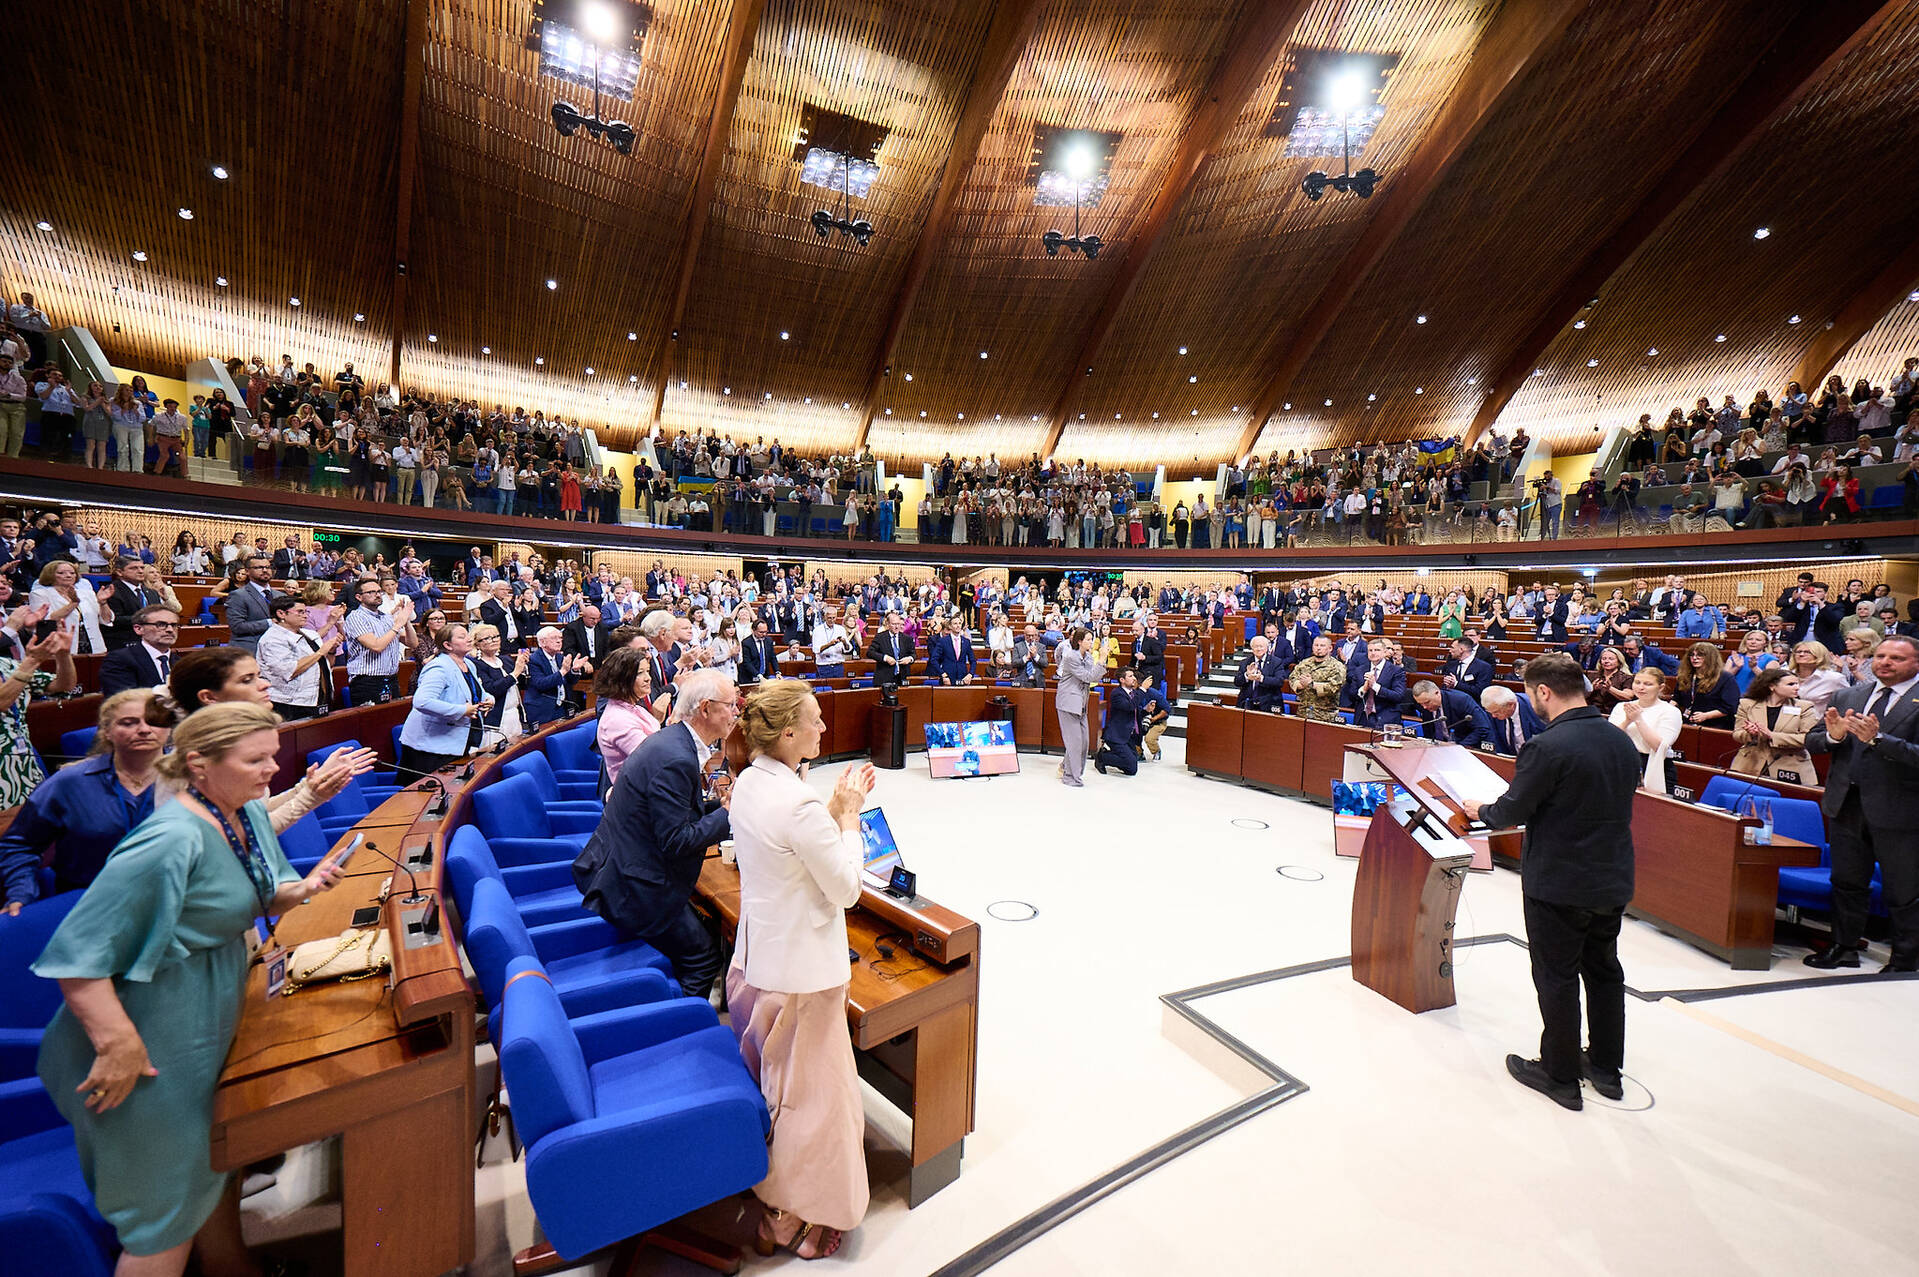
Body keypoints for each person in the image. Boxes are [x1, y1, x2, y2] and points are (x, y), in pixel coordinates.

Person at [32, 703, 346, 1272]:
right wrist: (118, 1045)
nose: (274, 770)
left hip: (204, 1014)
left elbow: (261, 891)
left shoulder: (241, 814)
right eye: (256, 759)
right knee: (161, 1221)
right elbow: (77, 959)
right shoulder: (168, 839)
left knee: (201, 1179)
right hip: (148, 1039)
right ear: (199, 764)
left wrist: (307, 887)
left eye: (273, 755)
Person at [721, 683, 877, 1260]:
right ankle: (797, 1213)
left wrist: (831, 810)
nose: (824, 730)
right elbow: (846, 889)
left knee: (782, 1089)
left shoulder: (753, 782)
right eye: (815, 722)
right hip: (807, 972)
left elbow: (792, 852)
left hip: (765, 956)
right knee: (818, 1103)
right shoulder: (799, 803)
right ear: (789, 733)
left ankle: (781, 1202)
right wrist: (851, 816)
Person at [1462, 654, 1639, 1111]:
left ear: (1543, 691)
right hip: (1611, 876)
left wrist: (1479, 808)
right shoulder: (1618, 740)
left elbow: (1509, 813)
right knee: (1604, 972)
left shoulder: (1548, 745)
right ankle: (1605, 1069)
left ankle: (1559, 1075)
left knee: (1557, 976)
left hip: (1560, 881)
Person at [572, 669, 739, 999]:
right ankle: (684, 1026)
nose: (735, 712)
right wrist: (728, 815)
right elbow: (676, 840)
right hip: (634, 886)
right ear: (705, 708)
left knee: (704, 921)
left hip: (626, 862)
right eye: (731, 705)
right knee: (704, 958)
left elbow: (670, 815)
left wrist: (715, 809)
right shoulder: (675, 758)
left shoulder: (673, 741)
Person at [1802, 634, 1919, 971]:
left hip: (1900, 811)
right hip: (1847, 803)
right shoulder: (1850, 694)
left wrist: (1879, 739)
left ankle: (1906, 959)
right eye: (1881, 655)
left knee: (1904, 890)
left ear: (1916, 663)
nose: (1885, 662)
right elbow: (1814, 739)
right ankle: (1844, 947)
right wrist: (1833, 736)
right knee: (1847, 882)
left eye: (1896, 658)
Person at [0, 690, 168, 913]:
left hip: (171, 904)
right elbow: (20, 843)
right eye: (129, 723)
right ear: (107, 731)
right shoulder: (70, 782)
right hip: (88, 905)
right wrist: (22, 891)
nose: (145, 730)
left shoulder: (195, 780)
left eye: (155, 722)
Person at [398, 624, 489, 780]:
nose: (469, 639)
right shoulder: (439, 667)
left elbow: (477, 692)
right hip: (431, 748)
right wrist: (461, 710)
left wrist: (489, 700)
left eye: (467, 635)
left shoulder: (469, 664)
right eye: (462, 637)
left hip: (456, 741)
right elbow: (422, 701)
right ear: (447, 645)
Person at [256, 594, 339, 720]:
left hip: (318, 697)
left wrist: (331, 651)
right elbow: (288, 671)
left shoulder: (310, 634)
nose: (305, 615)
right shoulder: (272, 639)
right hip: (291, 703)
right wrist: (321, 652)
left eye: (306, 611)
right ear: (281, 614)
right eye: (300, 612)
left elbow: (326, 664)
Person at [1729, 667, 1817, 784]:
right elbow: (1737, 734)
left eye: (1797, 683)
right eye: (1791, 684)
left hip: (1789, 767)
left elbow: (1808, 738)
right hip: (1750, 763)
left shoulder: (1804, 707)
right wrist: (1750, 734)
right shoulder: (1747, 704)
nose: (1797, 687)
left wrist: (1772, 735)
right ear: (1772, 686)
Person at [340, 574, 413, 705]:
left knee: (393, 721)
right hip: (368, 682)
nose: (377, 595)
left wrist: (406, 621)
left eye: (379, 591)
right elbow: (376, 646)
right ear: (359, 597)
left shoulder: (386, 618)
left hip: (391, 679)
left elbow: (412, 643)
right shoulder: (356, 617)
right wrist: (397, 625)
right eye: (371, 592)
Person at [1609, 668, 1682, 793]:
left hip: (1655, 765)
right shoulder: (1622, 707)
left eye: (1648, 684)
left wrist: (1638, 720)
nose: (1641, 687)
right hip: (1624, 762)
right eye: (1637, 682)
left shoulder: (1670, 711)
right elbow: (1609, 739)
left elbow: (1659, 746)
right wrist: (1627, 720)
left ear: (1660, 687)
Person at [592, 647, 659, 781]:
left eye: (647, 671)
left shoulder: (635, 708)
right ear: (622, 679)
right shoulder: (617, 719)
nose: (648, 678)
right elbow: (652, 760)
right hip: (637, 795)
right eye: (640, 673)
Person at [30, 560, 112, 654]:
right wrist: (73, 603)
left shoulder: (88, 593)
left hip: (95, 648)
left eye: (72, 573)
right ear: (50, 575)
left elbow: (106, 620)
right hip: (61, 649)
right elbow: (47, 621)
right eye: (61, 573)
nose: (68, 575)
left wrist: (103, 603)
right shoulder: (40, 594)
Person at [468, 623, 527, 744]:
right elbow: (491, 689)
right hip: (496, 719)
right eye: (488, 638)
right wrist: (515, 673)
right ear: (477, 643)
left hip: (514, 715)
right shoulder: (476, 664)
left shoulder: (505, 659)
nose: (494, 640)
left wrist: (524, 669)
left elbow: (522, 685)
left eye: (496, 636)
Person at [1674, 641, 1738, 728]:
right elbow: (1676, 699)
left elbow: (1729, 708)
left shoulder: (1725, 678)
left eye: (1700, 655)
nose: (1695, 658)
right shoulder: (1685, 676)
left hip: (1716, 725)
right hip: (1688, 721)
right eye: (1692, 655)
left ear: (1710, 658)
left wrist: (1706, 715)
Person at [1093, 668, 1144, 775]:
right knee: (1129, 763)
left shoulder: (1133, 693)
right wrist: (1142, 689)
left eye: (1134, 676)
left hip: (1128, 736)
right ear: (1122, 680)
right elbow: (1129, 706)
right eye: (1130, 676)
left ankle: (1110, 754)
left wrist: (1146, 710)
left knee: (1131, 770)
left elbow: (1134, 713)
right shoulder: (1117, 693)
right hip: (1116, 735)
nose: (1134, 678)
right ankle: (1102, 757)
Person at [222, 554, 276, 655]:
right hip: (249, 650)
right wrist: (269, 623)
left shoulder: (280, 595)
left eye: (268, 567)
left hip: (278, 650)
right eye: (259, 567)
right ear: (247, 571)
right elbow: (237, 626)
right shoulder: (238, 595)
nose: (265, 570)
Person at [1411, 680, 1491, 747]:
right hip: (1439, 749)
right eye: (1421, 704)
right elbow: (1429, 730)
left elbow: (1482, 728)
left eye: (1427, 702)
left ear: (1437, 693)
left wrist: (1459, 747)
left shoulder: (1461, 700)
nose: (1424, 707)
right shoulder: (1425, 705)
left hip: (1466, 746)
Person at [1290, 634, 1347, 723]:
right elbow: (1292, 678)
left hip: (1325, 715)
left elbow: (1334, 687)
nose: (1318, 648)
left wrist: (1312, 684)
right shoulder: (1305, 663)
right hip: (1303, 713)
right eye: (1316, 645)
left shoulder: (1337, 666)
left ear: (1330, 648)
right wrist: (1300, 685)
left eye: (1322, 645)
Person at [1347, 642, 1406, 729]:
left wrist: (1375, 686)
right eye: (1370, 650)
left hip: (1386, 718)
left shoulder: (1396, 671)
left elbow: (1398, 696)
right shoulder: (1360, 670)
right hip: (1362, 717)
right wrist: (1363, 689)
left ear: (1385, 652)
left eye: (1377, 650)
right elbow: (1351, 696)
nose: (1373, 653)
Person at [1481, 684, 1543, 756]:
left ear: (1511, 705)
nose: (1493, 716)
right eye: (1490, 712)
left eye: (1496, 712)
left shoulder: (1535, 708)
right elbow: (1496, 741)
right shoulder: (1494, 709)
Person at [1233, 635, 1287, 712]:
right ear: (1252, 648)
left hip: (1269, 704)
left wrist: (1261, 678)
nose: (1258, 649)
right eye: (1256, 646)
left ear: (1267, 647)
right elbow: (1237, 682)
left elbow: (1279, 681)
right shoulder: (1245, 662)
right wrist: (1247, 676)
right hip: (1247, 704)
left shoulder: (1276, 662)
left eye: (1261, 646)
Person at [867, 610, 914, 693]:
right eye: (893, 624)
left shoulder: (907, 639)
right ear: (888, 625)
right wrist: (885, 658)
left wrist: (910, 659)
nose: (896, 627)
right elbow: (870, 652)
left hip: (902, 678)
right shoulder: (880, 637)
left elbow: (913, 654)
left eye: (898, 624)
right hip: (884, 678)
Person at [928, 616, 975, 686]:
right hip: (947, 679)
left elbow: (973, 660)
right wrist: (943, 674)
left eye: (959, 623)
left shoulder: (966, 641)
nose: (958, 625)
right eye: (955, 623)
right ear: (950, 626)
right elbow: (934, 659)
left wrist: (970, 674)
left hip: (962, 678)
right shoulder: (943, 641)